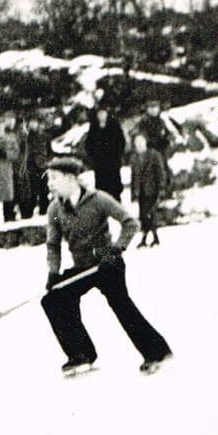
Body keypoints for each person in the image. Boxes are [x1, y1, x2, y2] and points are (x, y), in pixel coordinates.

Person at [40, 157, 172, 377]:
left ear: (71, 179)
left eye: (54, 178)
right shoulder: (55, 208)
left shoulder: (98, 199)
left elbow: (130, 223)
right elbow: (53, 245)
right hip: (83, 267)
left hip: (107, 263)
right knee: (54, 300)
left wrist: (116, 250)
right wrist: (53, 273)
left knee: (121, 304)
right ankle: (81, 354)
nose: (50, 184)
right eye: (49, 179)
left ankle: (157, 351)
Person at [128, 134, 167, 248]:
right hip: (141, 192)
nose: (139, 144)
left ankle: (151, 238)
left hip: (153, 190)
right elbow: (133, 177)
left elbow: (161, 173)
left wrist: (162, 188)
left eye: (141, 141)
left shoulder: (154, 155)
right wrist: (133, 193)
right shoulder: (134, 158)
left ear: (145, 142)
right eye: (136, 142)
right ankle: (148, 239)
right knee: (143, 216)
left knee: (151, 214)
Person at [83, 105, 126, 200]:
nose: (101, 115)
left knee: (115, 187)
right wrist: (93, 157)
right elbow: (88, 144)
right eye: (99, 113)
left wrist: (117, 154)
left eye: (103, 113)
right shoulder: (94, 126)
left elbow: (121, 142)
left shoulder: (114, 125)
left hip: (113, 162)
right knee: (101, 187)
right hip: (99, 164)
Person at [22, 113, 53, 216]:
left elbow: (50, 151)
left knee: (44, 191)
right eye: (31, 122)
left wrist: (48, 162)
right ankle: (28, 213)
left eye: (35, 122)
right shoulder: (25, 137)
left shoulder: (45, 136)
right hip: (29, 167)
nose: (33, 125)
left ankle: (44, 212)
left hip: (42, 166)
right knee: (31, 192)